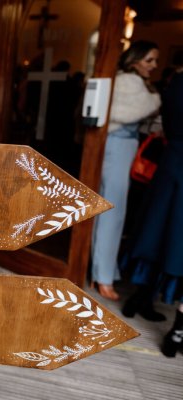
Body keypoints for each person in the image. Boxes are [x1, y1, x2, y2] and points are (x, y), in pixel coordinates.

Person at [121, 55, 183, 354]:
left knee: (158, 231)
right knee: (176, 240)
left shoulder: (175, 84)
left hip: (171, 164)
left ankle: (139, 298)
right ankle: (178, 331)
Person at [91, 41, 161, 301]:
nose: (154, 66)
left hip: (121, 147)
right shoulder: (128, 82)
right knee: (112, 212)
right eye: (150, 60)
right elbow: (125, 112)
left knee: (111, 211)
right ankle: (103, 277)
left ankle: (102, 272)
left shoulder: (131, 82)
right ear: (135, 60)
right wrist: (156, 99)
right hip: (117, 147)